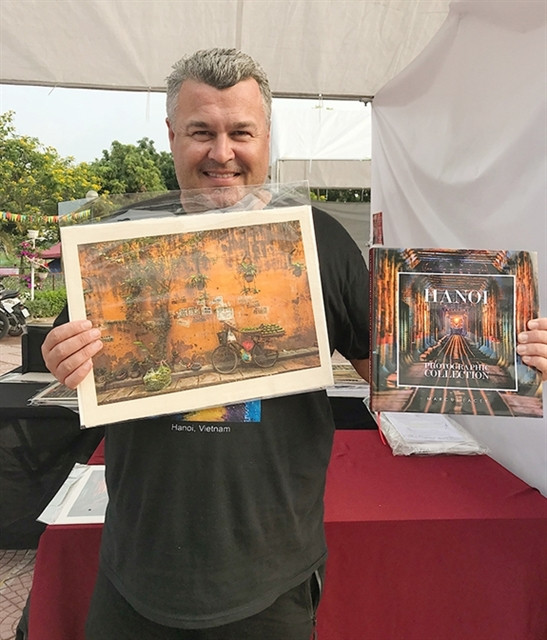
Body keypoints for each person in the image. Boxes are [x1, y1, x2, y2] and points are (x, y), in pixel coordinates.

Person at [42, 48, 370, 639]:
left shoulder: (320, 238)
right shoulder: (114, 243)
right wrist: (61, 356)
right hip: (135, 572)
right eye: (201, 132)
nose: (222, 153)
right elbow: (76, 357)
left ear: (266, 136)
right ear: (172, 136)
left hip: (270, 577)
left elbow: (391, 373)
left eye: (240, 132)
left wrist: (516, 362)